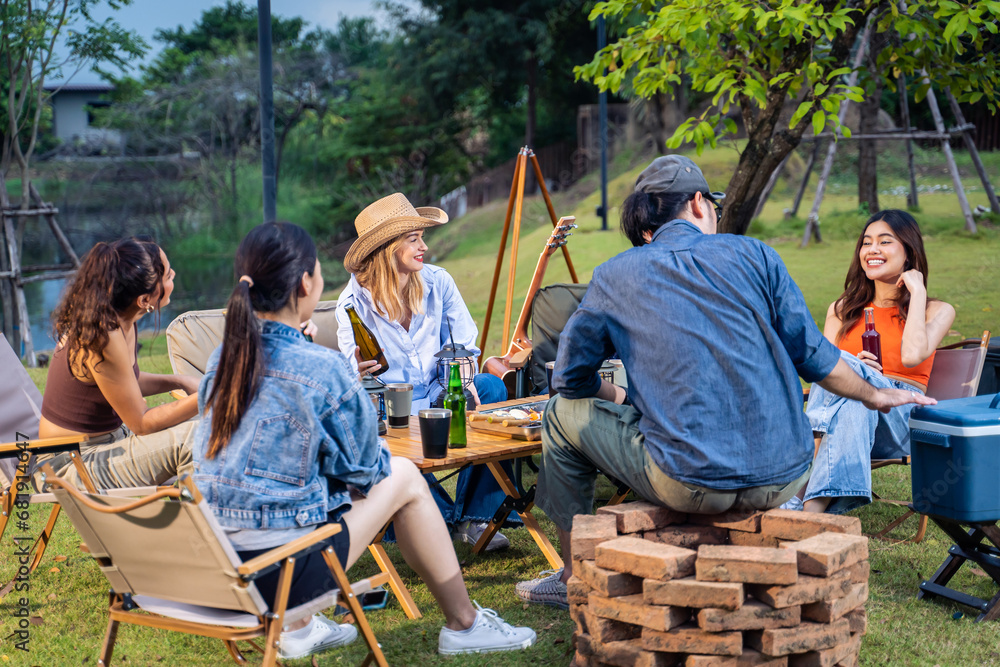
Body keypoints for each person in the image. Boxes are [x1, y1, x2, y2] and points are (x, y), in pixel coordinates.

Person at [515, 155, 936, 609]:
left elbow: (571, 378)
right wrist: (874, 393)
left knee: (559, 414)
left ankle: (572, 575)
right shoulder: (757, 254)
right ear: (699, 203)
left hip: (690, 483)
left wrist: (620, 394)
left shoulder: (615, 274)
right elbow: (814, 356)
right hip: (785, 477)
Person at [191, 222, 535, 660]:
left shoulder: (222, 359)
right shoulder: (321, 367)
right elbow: (366, 472)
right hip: (279, 576)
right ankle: (464, 623)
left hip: (217, 570)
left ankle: (297, 627)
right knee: (404, 475)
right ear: (305, 284)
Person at [335, 192, 520, 551]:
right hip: (394, 411)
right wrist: (354, 372)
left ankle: (473, 518)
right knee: (375, 434)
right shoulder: (352, 305)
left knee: (491, 388)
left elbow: (466, 344)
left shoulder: (438, 282)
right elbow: (350, 373)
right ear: (389, 248)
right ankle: (440, 523)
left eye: (422, 237)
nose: (424, 247)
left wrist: (462, 380)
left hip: (438, 393)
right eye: (414, 239)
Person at [801, 210, 955, 514]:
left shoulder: (937, 310)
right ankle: (815, 514)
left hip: (902, 419)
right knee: (853, 393)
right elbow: (823, 375)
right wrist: (856, 374)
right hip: (853, 412)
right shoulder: (842, 309)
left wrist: (918, 291)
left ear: (909, 253)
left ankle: (802, 483)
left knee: (846, 368)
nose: (872, 250)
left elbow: (912, 356)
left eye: (885, 242)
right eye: (866, 242)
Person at [35, 237, 200, 490]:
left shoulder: (119, 315)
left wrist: (179, 381)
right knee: (195, 437)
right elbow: (141, 424)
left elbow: (123, 380)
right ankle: (198, 524)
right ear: (144, 300)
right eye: (167, 275)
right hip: (69, 465)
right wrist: (210, 394)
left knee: (207, 426)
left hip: (106, 445)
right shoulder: (102, 335)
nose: (173, 274)